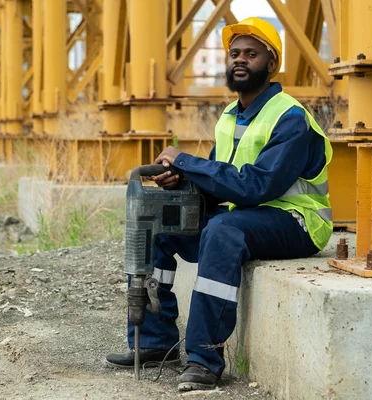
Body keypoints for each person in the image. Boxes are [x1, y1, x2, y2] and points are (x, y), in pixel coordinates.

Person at [105, 17, 333, 392]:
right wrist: (182, 181)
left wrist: (186, 161)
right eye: (234, 54)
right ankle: (154, 342)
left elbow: (256, 186)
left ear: (271, 64)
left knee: (222, 231)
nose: (239, 60)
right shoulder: (230, 116)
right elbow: (222, 182)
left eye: (251, 54)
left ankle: (204, 358)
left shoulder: (291, 118)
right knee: (159, 219)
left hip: (297, 222)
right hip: (246, 216)